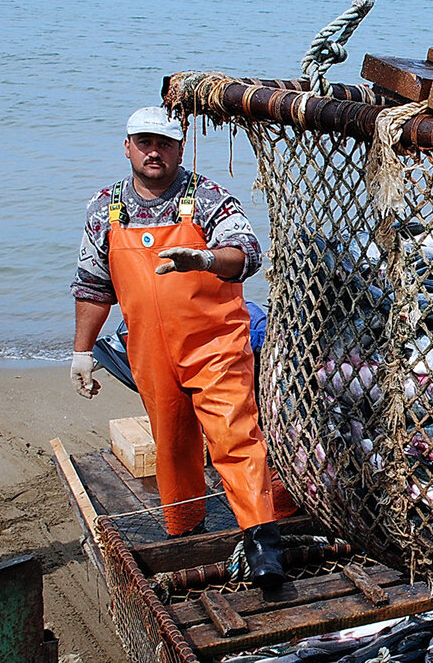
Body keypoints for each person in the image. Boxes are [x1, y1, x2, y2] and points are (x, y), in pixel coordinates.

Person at [71, 106, 285, 587]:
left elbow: (247, 251)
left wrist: (206, 258)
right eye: (144, 141)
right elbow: (92, 285)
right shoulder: (104, 208)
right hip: (149, 350)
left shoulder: (208, 198)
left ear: (179, 149)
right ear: (126, 145)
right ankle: (186, 530)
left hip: (215, 343)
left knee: (234, 436)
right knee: (172, 445)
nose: (154, 151)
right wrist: (82, 352)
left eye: (164, 143)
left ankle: (262, 542)